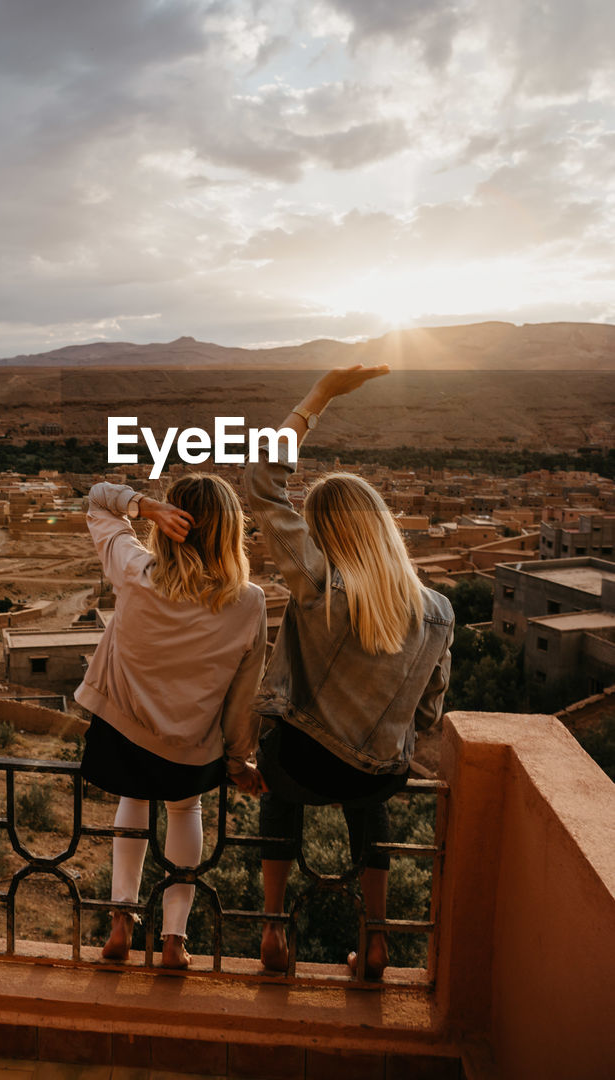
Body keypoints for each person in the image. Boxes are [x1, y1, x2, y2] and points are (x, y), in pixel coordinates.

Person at [243, 365, 453, 979]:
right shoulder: (437, 611)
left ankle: (274, 929)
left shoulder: (319, 583)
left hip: (297, 765)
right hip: (375, 776)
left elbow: (260, 485)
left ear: (326, 529)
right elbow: (430, 710)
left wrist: (319, 398)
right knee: (373, 805)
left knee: (279, 798)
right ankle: (379, 937)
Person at [75, 473, 266, 969]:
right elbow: (244, 698)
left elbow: (97, 501)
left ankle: (121, 921)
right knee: (185, 811)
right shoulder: (248, 602)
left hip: (122, 734)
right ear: (230, 533)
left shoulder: (134, 570)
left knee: (132, 798)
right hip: (190, 750)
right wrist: (240, 759)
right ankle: (174, 941)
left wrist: (145, 507)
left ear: (171, 525)